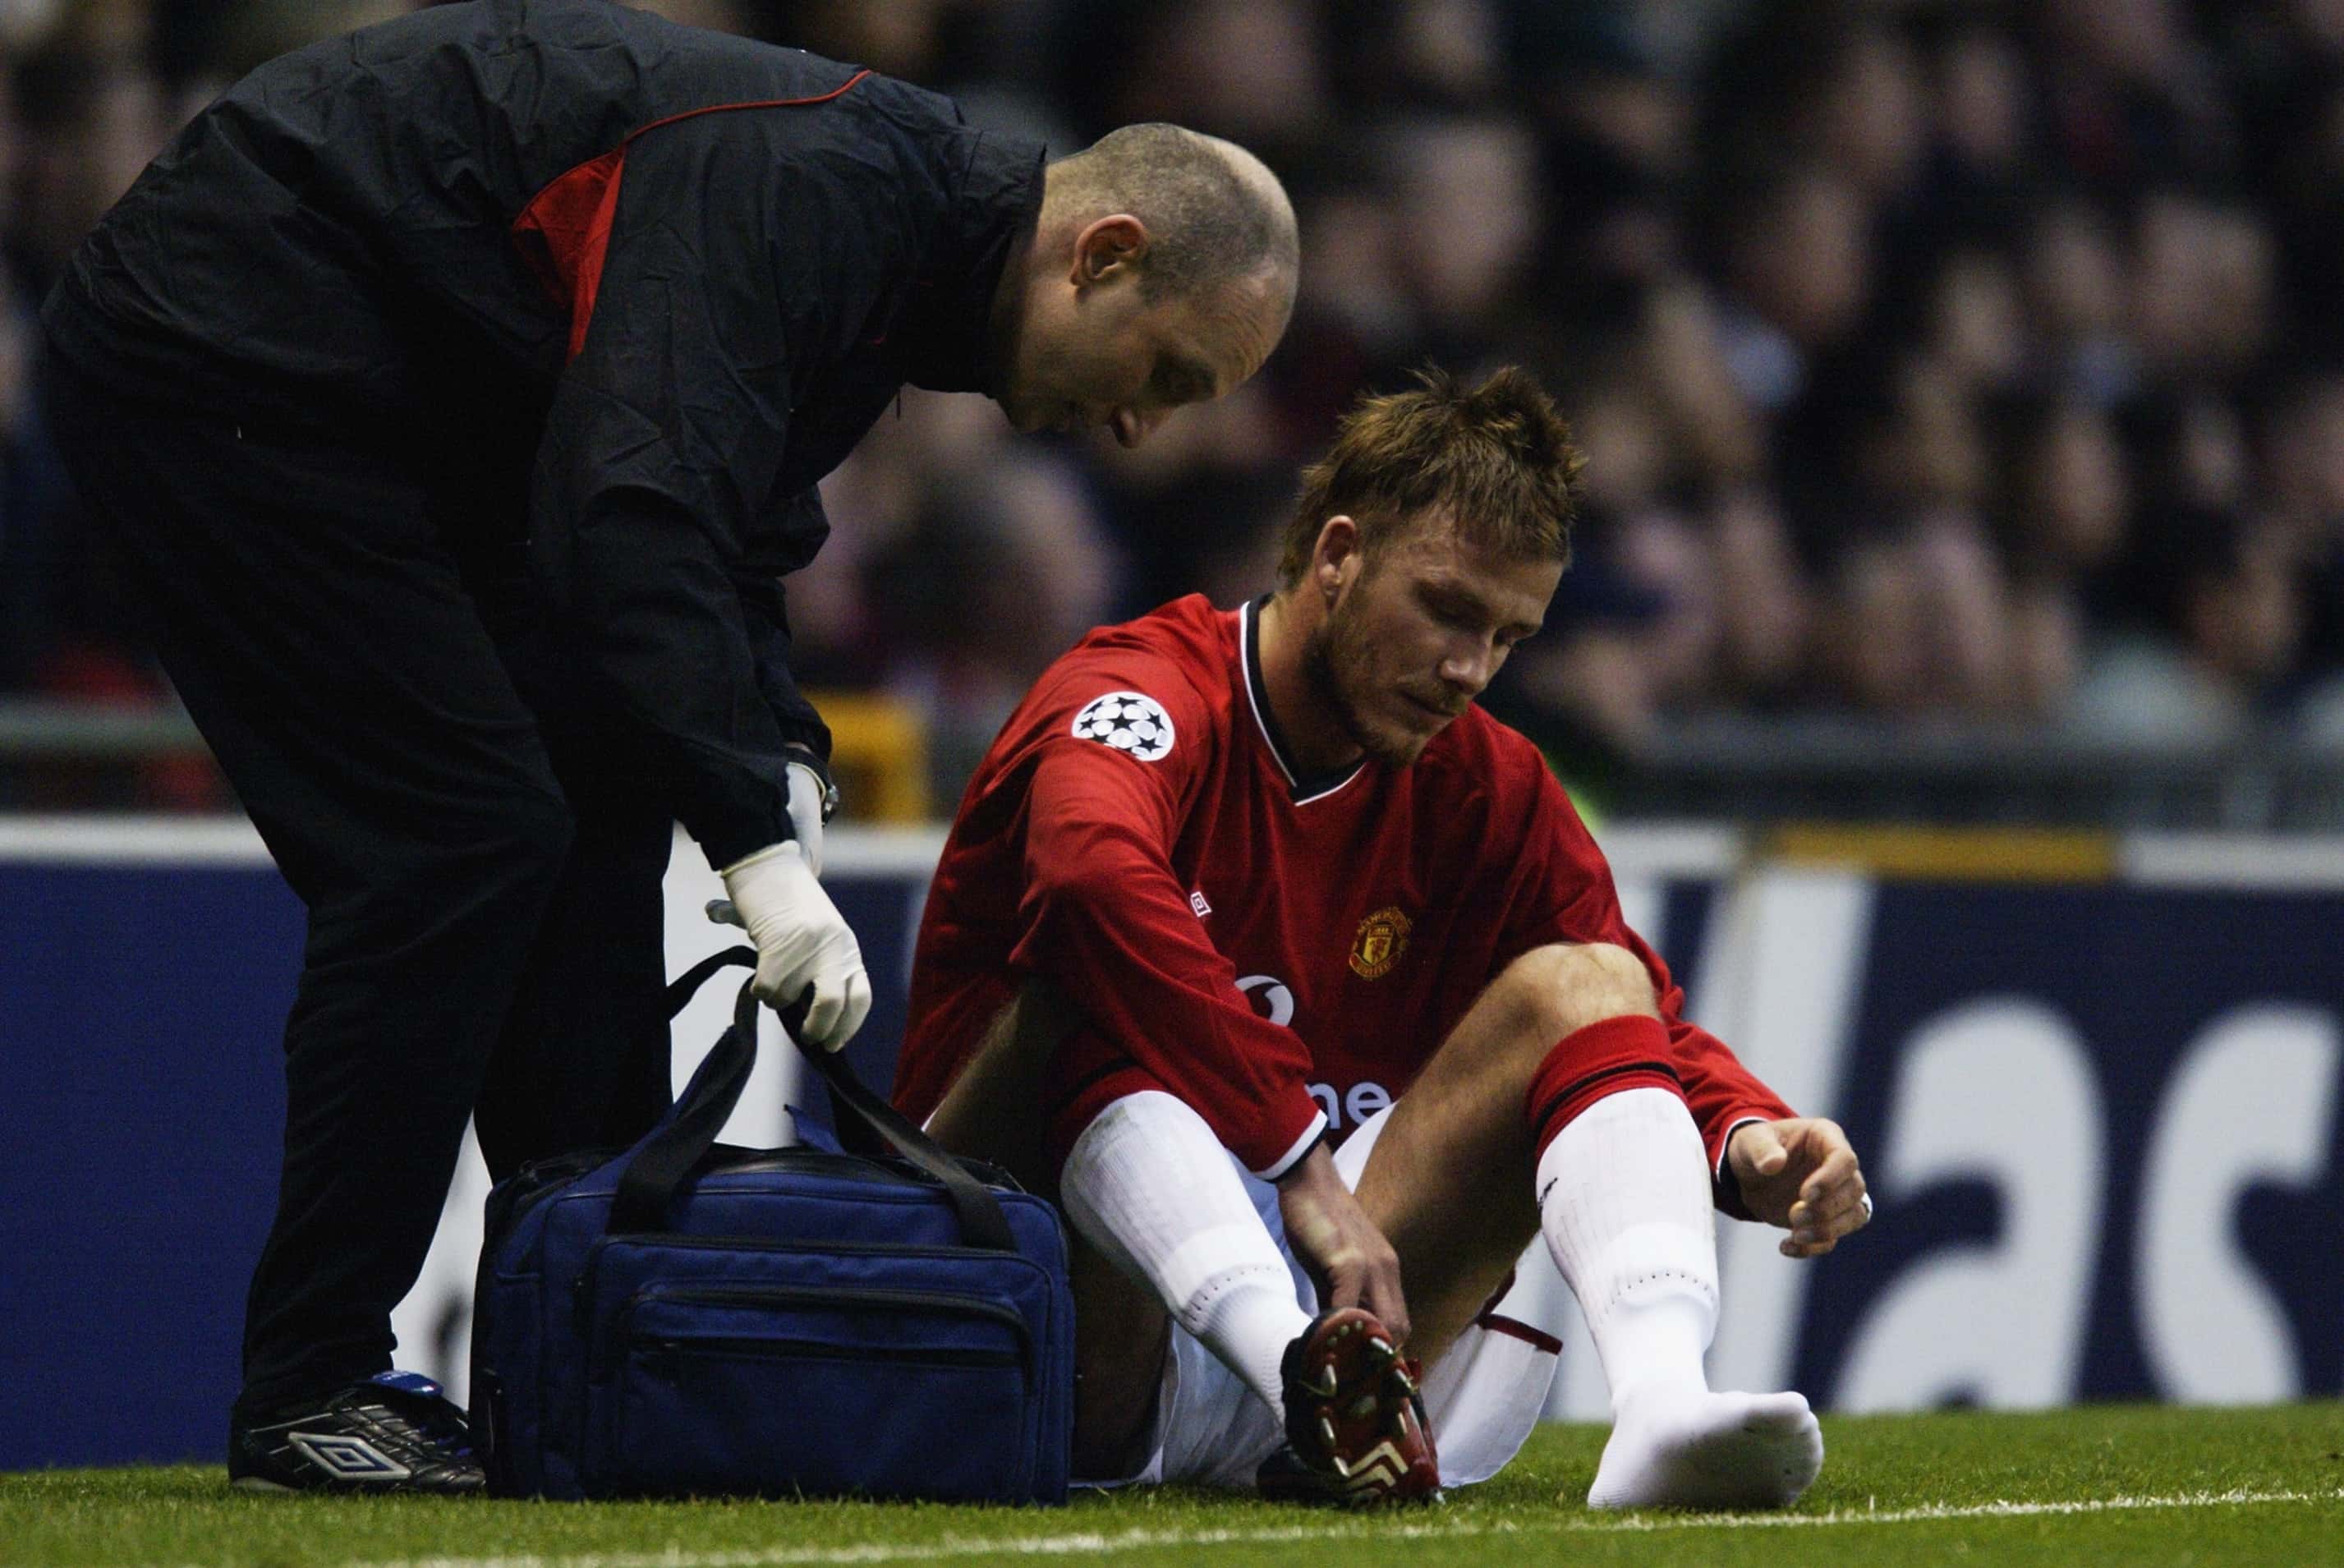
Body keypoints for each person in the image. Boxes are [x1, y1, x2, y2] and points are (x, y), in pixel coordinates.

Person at [36, 0, 1296, 1493]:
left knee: (595, 802)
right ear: (1103, 254)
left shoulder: (892, 250)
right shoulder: (821, 195)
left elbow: (704, 540)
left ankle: (584, 1348)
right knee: (457, 838)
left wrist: (773, 763)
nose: (1143, 431)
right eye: (1165, 374)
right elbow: (632, 516)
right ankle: (311, 1380)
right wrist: (763, 860)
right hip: (227, 349)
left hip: (398, 389)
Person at [894, 367, 1869, 1508]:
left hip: (1339, 1291)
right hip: (1045, 1323)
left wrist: (1745, 1133)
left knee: (1585, 978)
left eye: (1507, 636)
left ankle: (1658, 1402)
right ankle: (1301, 1377)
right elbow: (1086, 873)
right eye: (1447, 610)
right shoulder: (1143, 690)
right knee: (1088, 976)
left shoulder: (1486, 785)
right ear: (1338, 553)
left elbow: (1625, 1004)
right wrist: (1299, 1162)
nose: (1469, 669)